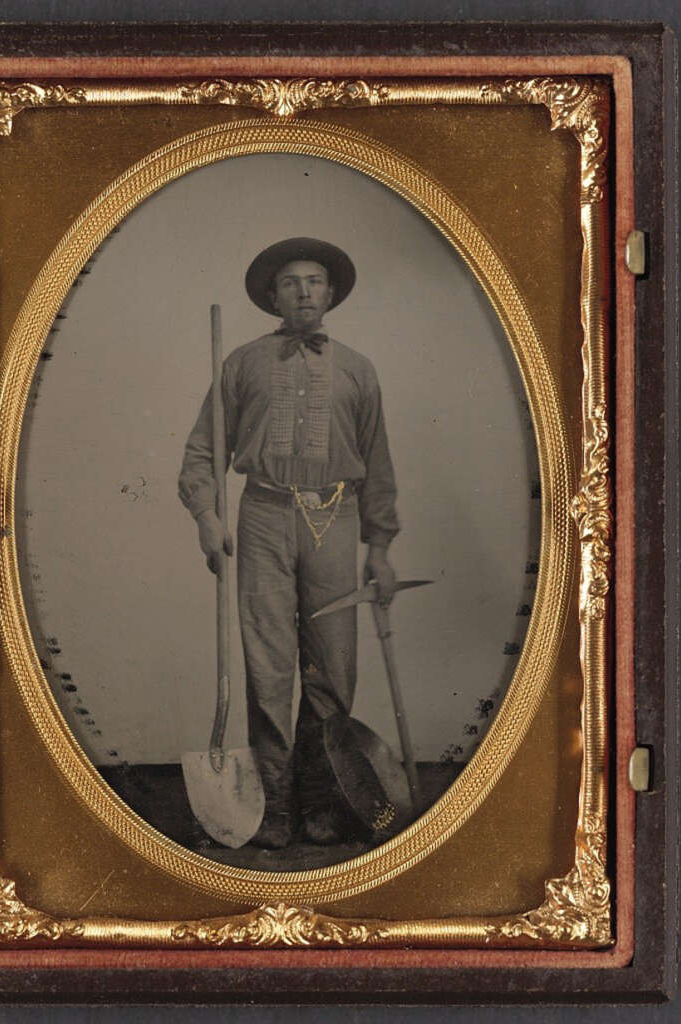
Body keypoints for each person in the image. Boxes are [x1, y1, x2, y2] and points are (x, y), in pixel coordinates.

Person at [178, 237, 399, 849]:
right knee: (270, 666)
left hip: (338, 517)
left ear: (331, 295)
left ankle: (321, 803)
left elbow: (377, 467)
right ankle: (273, 807)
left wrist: (379, 547)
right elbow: (202, 454)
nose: (304, 291)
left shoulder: (358, 368)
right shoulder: (242, 364)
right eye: (291, 283)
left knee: (332, 666)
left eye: (315, 281)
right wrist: (205, 515)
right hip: (263, 518)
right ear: (273, 296)